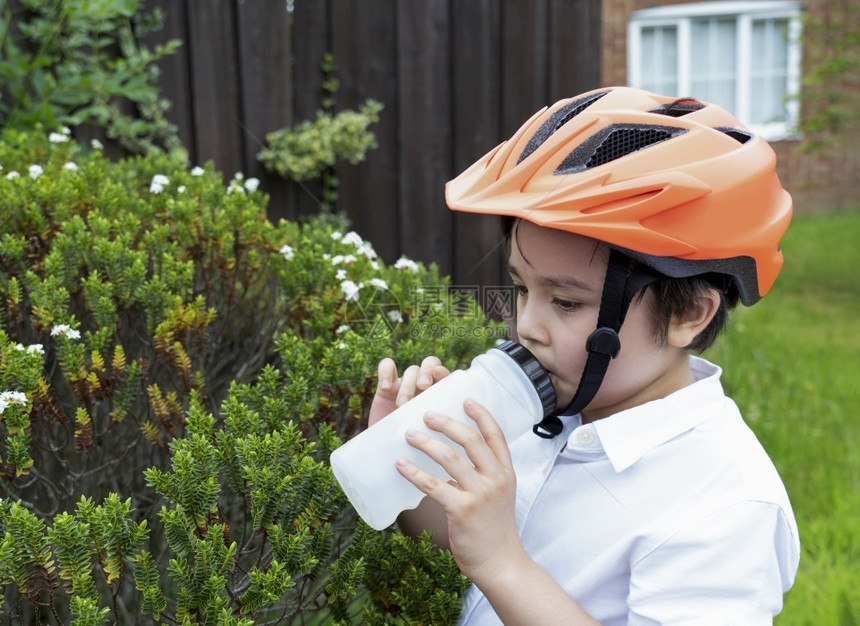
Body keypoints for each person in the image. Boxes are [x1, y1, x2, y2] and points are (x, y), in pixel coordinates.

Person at [367, 86, 799, 624]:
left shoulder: (724, 504)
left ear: (690, 313)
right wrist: (409, 465)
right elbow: (466, 546)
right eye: (523, 288)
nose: (526, 326)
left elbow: (498, 563)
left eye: (567, 302)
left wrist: (506, 564)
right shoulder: (548, 414)